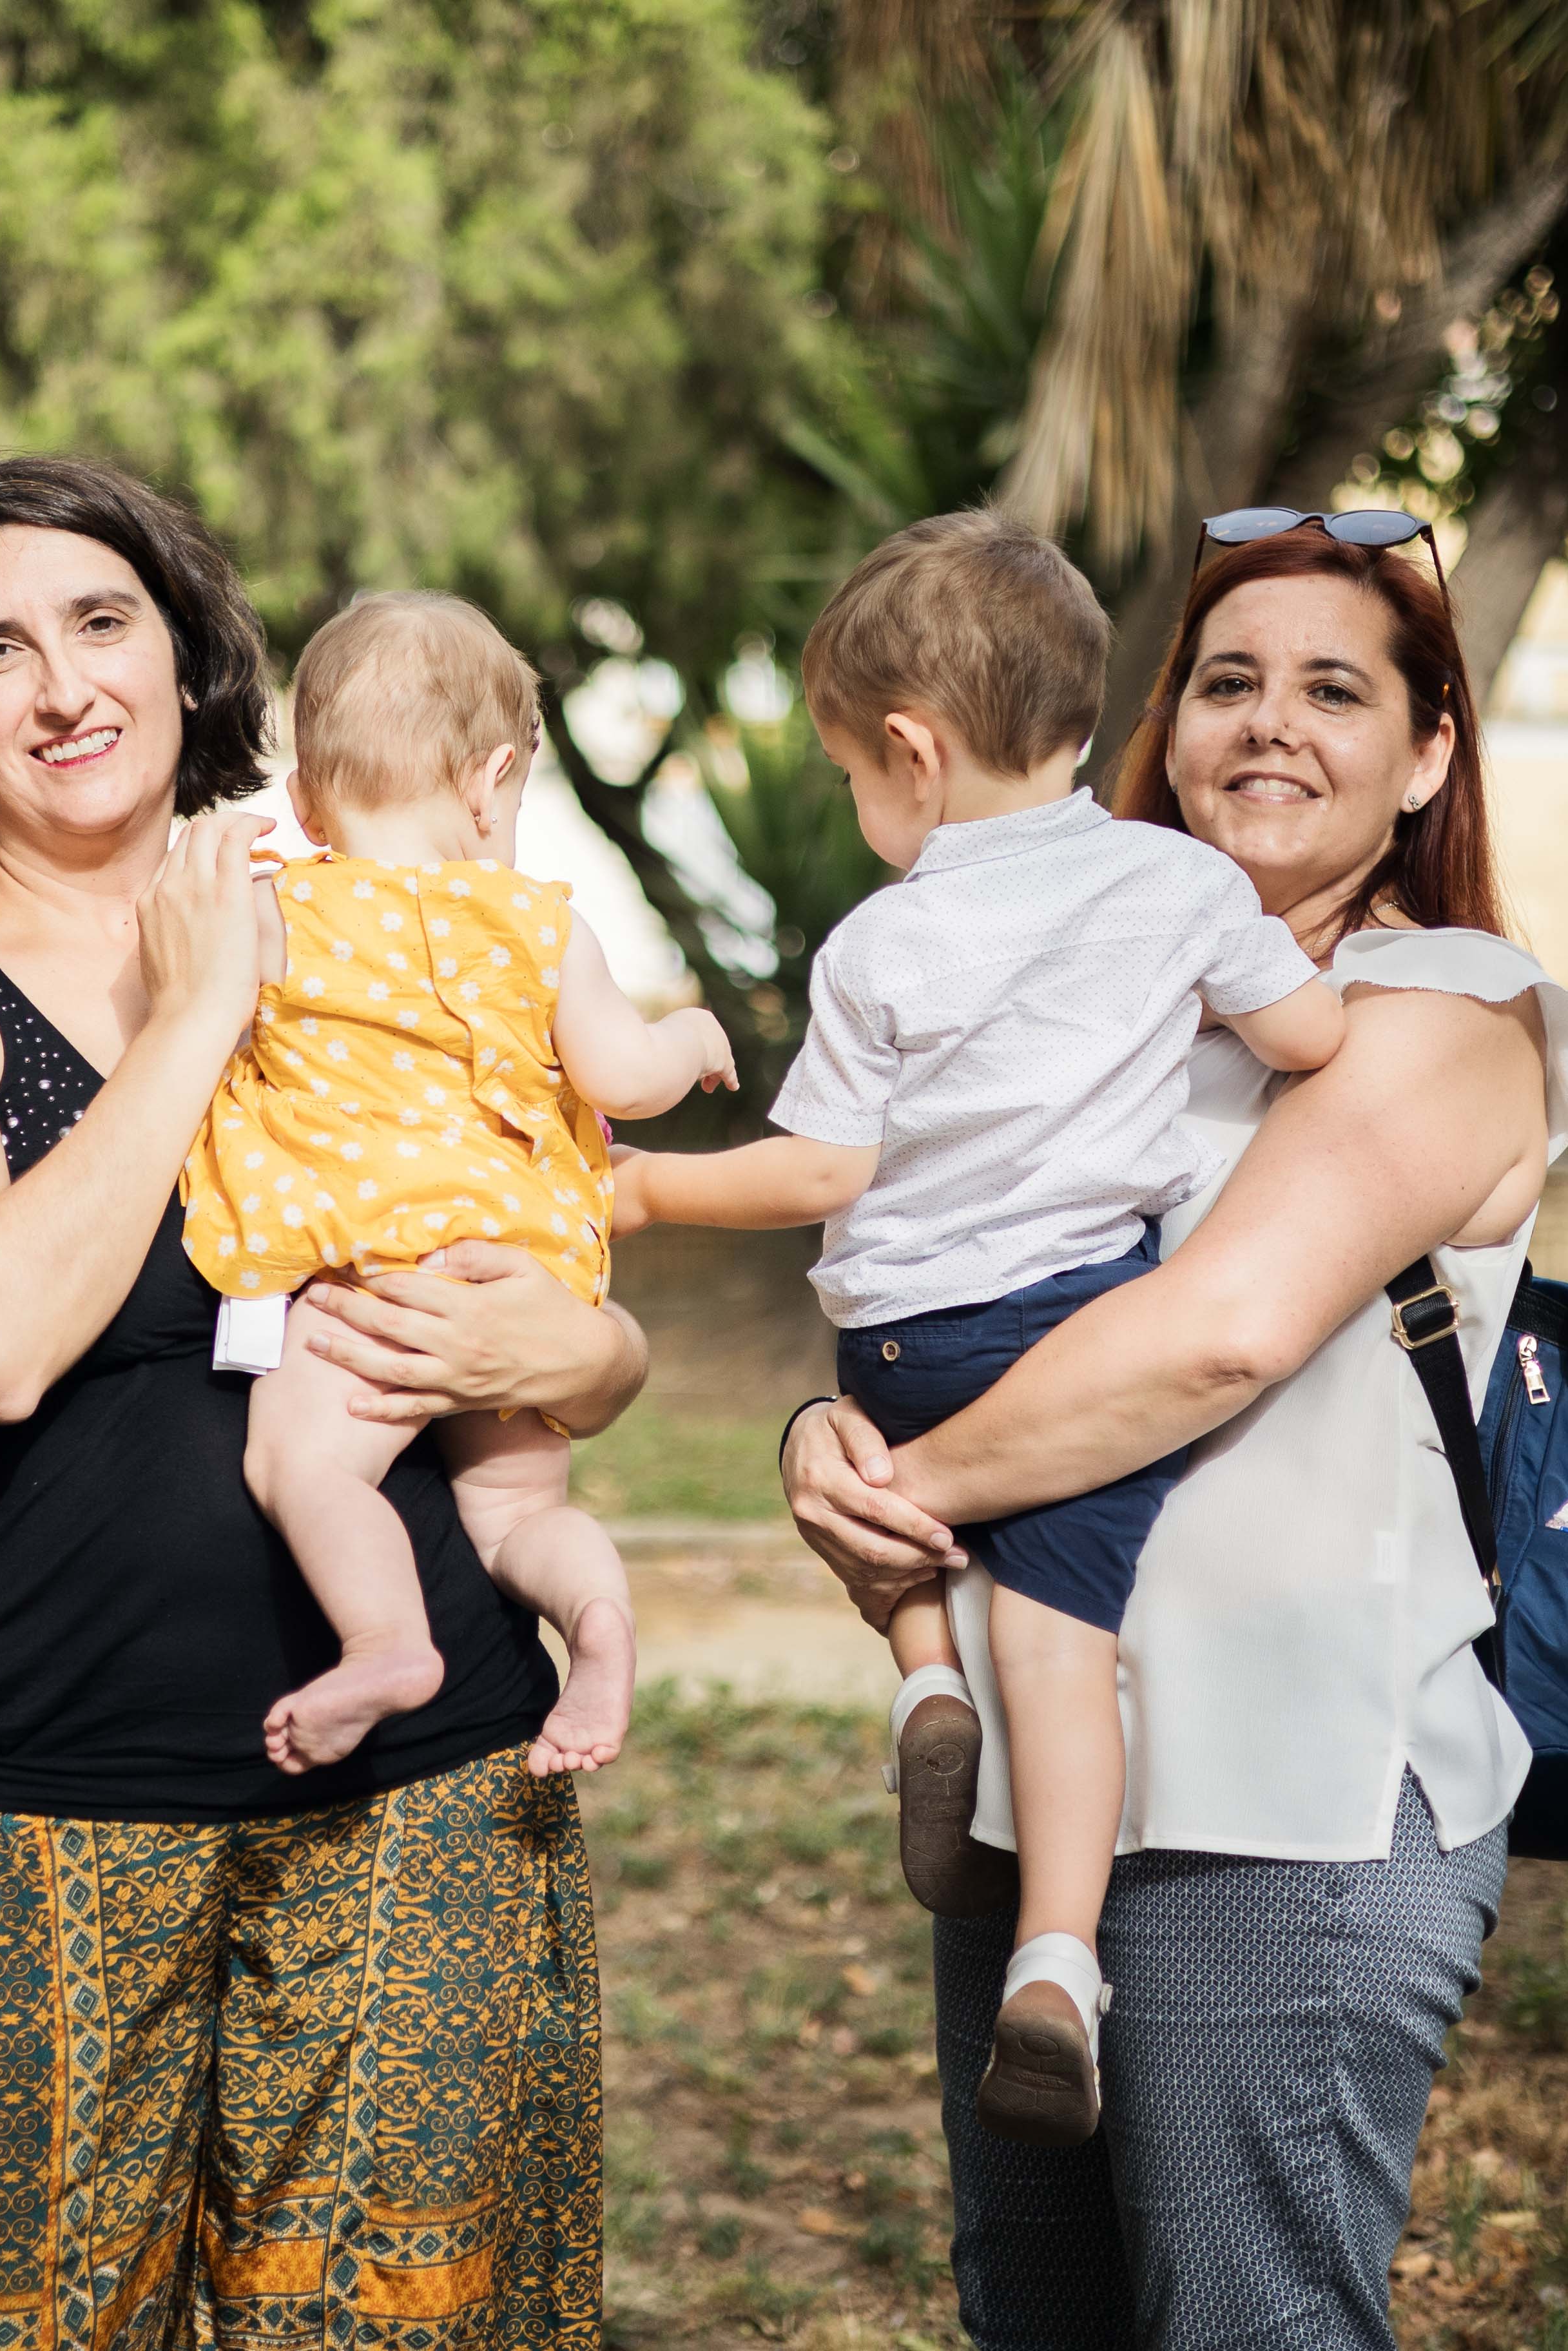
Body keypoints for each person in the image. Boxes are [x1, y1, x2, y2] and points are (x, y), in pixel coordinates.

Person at [0, 455, 641, 2348]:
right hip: (21, 1802)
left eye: (103, 623)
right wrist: (192, 1015)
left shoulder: (376, 909)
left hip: (421, 1796)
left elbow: (559, 1226)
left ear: (184, 652)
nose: (64, 686)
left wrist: (589, 1361)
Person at [780, 510, 1568, 2347]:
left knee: (1245, 2325)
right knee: (1036, 2319)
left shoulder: (1446, 1010)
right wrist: (825, 1438)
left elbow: (1216, 1339)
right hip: (1039, 1811)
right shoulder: (1098, 993)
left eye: (1335, 690)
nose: (1269, 722)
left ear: (1428, 755)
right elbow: (933, 1288)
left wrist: (903, 1486)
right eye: (1229, 681)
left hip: (1284, 1811)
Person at [608, 513, 1341, 2150]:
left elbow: (824, 1173)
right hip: (1080, 1334)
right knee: (1066, 1651)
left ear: (915, 755)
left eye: (849, 778)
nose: (859, 810)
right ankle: (1060, 1964)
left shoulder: (884, 941)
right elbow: (1308, 1033)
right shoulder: (1183, 881)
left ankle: (924, 1680)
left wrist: (645, 1191)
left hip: (902, 1344)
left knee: (902, 1515)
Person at [186, 590, 733, 1779]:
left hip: (366, 1283)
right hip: (517, 1279)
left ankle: (387, 1643)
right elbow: (625, 1080)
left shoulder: (281, 914)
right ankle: (599, 1626)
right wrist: (691, 1036)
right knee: (521, 1519)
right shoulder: (542, 927)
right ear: (491, 784)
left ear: (304, 801)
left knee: (303, 1467)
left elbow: (193, 1018)